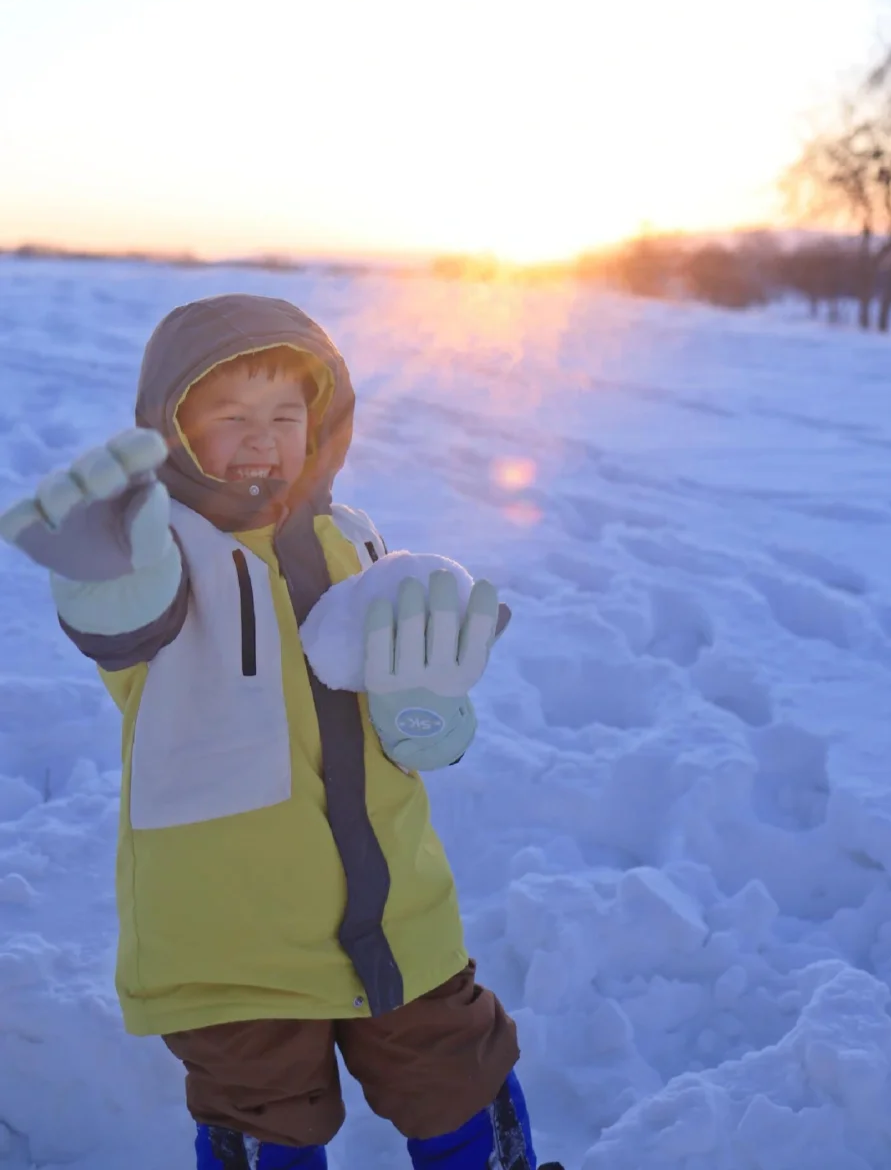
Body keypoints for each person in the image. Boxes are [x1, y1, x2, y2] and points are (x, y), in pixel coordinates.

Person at [0, 293, 562, 1170]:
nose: (262, 438)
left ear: (322, 423)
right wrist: (106, 593)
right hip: (232, 936)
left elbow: (409, 726)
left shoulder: (355, 539)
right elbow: (128, 630)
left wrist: (430, 715)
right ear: (173, 431)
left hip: (398, 917)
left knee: (459, 1075)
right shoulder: (158, 552)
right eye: (230, 417)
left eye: (285, 414)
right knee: (268, 1121)